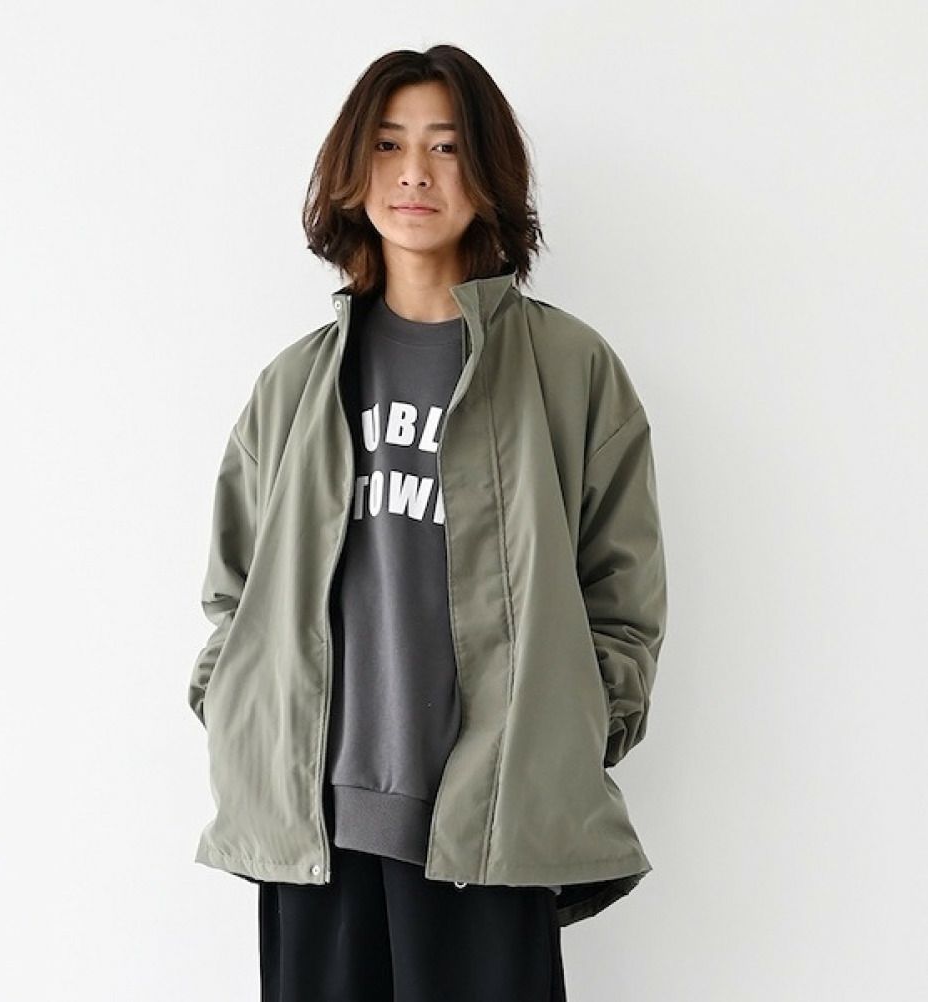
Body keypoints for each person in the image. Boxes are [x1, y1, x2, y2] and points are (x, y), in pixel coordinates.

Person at [188, 43, 668, 1002]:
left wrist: (571, 736)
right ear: (351, 171)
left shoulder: (570, 371)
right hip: (317, 830)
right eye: (388, 144)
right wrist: (238, 715)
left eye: (446, 147)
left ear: (488, 175)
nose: (414, 172)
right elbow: (233, 593)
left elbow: (623, 596)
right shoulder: (294, 384)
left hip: (493, 823)